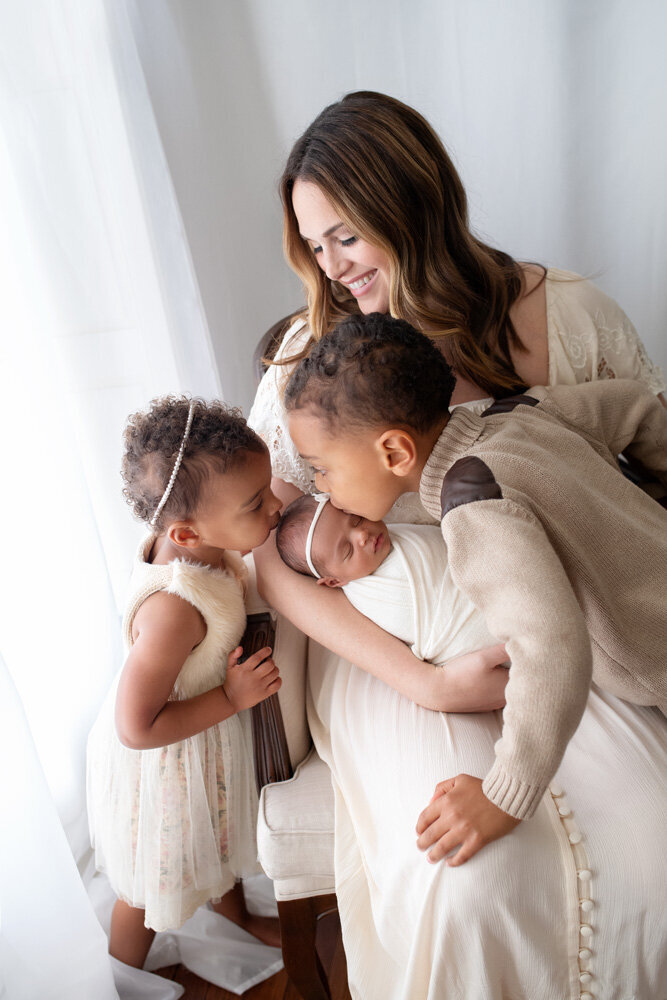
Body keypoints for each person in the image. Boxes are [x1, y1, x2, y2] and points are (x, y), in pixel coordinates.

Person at [248, 91, 667, 998]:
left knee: (652, 848)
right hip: (400, 654)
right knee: (469, 883)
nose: (331, 266)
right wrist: (424, 682)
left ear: (412, 201)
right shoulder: (309, 361)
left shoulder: (563, 317)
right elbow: (268, 557)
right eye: (313, 244)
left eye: (347, 236)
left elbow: (639, 425)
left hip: (569, 633)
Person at [285, 311, 667, 861]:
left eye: (322, 469)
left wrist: (503, 796)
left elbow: (551, 649)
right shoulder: (519, 412)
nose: (320, 487)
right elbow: (634, 404)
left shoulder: (476, 509)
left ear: (394, 453)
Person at [87, 396, 283, 970]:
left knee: (213, 838)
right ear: (186, 535)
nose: (274, 507)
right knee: (154, 872)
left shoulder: (199, 547)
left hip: (203, 750)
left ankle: (235, 914)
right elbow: (135, 726)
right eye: (256, 503)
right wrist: (229, 697)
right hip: (164, 762)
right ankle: (121, 973)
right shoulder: (174, 607)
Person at [275, 493, 502, 675]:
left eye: (357, 520)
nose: (362, 535)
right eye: (347, 550)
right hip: (473, 633)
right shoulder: (375, 596)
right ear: (335, 581)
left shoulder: (390, 538)